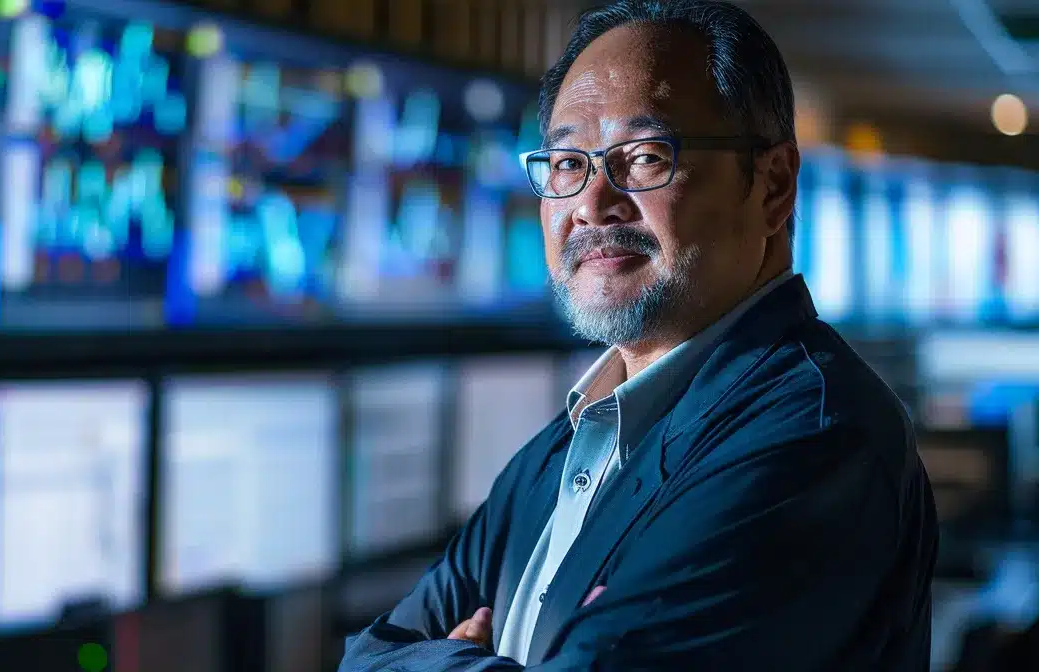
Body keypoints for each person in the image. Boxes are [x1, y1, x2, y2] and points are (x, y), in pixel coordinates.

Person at [338, 1, 937, 669]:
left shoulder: (815, 435)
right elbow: (367, 656)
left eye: (646, 157)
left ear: (773, 186)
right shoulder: (567, 444)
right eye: (568, 164)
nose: (593, 202)